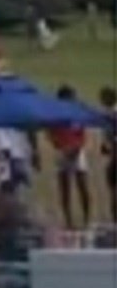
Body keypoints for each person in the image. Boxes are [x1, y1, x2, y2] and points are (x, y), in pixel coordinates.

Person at [48, 85, 92, 229]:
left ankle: (87, 220)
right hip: (62, 151)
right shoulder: (55, 115)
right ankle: (68, 221)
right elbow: (51, 135)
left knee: (83, 186)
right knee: (65, 188)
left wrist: (77, 149)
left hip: (77, 152)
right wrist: (60, 147)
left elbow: (82, 134)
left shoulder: (77, 113)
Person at [100, 85, 117, 223]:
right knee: (112, 191)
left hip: (114, 158)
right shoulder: (108, 113)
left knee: (113, 191)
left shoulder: (111, 114)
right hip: (113, 157)